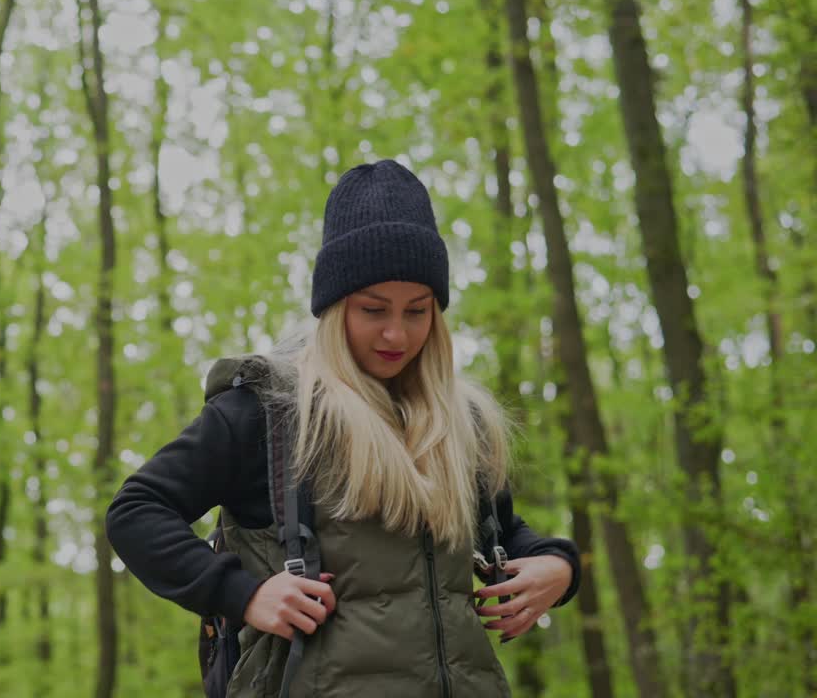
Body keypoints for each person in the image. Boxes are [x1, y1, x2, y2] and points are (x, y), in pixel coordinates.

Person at [106, 159, 580, 697]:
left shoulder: (460, 426)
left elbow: (503, 533)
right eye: (373, 309)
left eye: (418, 311)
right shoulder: (271, 414)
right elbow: (136, 511)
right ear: (334, 308)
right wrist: (243, 594)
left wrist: (558, 567)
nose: (397, 334)